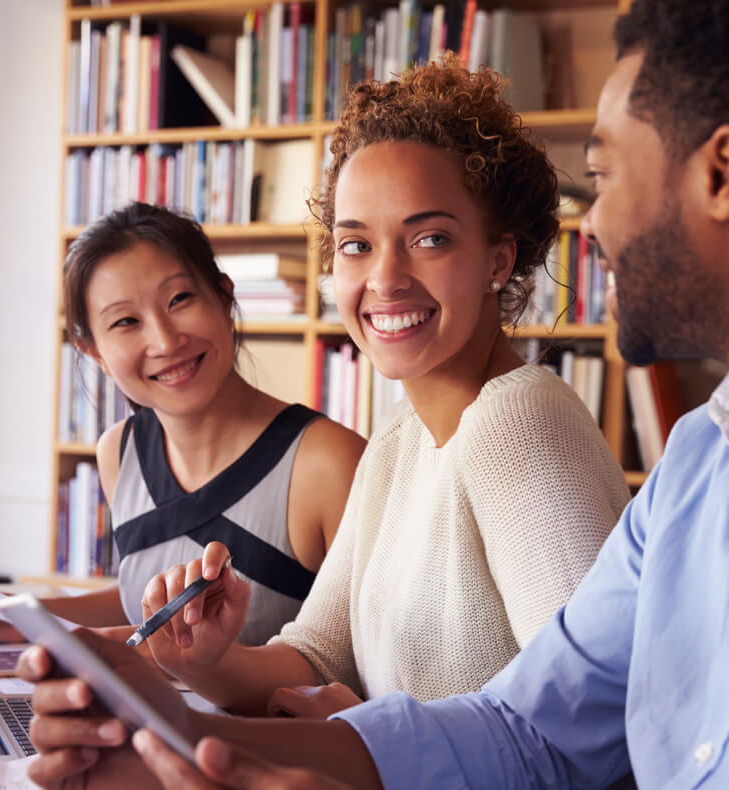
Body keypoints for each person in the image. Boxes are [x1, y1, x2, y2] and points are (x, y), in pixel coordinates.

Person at [24, 0, 729, 786]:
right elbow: (529, 732)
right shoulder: (703, 458)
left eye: (605, 170)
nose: (589, 224)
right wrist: (162, 726)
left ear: (719, 172)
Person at [127, 56, 630, 719]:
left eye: (428, 238)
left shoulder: (519, 419)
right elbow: (316, 653)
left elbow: (589, 719)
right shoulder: (400, 435)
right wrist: (206, 661)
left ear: (497, 260)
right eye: (357, 245)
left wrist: (362, 732)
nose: (385, 279)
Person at [26, 202, 365, 647]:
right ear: (93, 352)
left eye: (180, 299)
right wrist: (17, 615)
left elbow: (365, 657)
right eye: (125, 321)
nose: (165, 341)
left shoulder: (328, 462)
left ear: (224, 298)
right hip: (147, 717)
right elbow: (149, 602)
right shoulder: (119, 453)